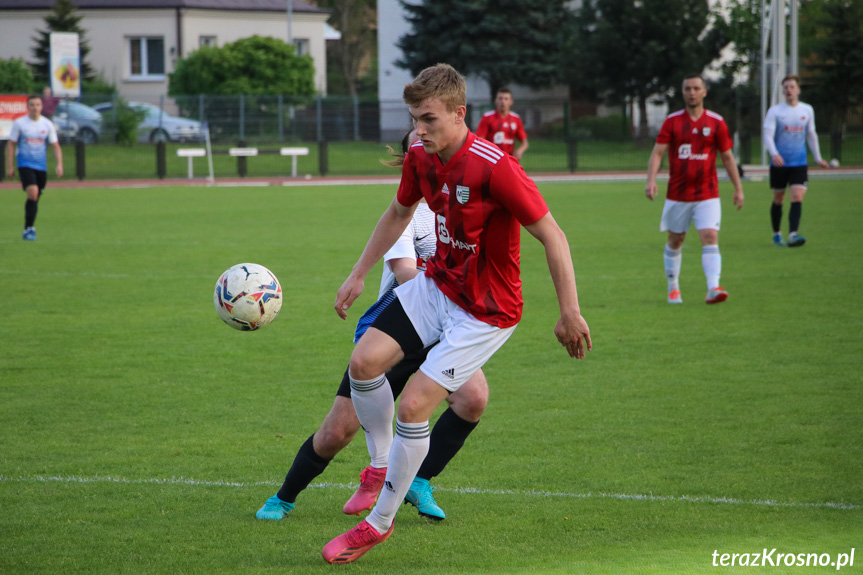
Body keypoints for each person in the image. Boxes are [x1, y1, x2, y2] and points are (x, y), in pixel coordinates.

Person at [322, 63, 591, 564]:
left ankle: (379, 523)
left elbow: (553, 235)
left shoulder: (496, 167)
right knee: (363, 364)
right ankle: (380, 465)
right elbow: (398, 213)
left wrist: (569, 312)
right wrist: (358, 273)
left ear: (458, 113)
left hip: (486, 312)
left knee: (414, 406)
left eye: (428, 120)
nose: (418, 132)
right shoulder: (421, 158)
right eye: (414, 120)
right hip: (437, 284)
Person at [255, 132, 488, 524]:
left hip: (443, 329)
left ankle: (419, 479)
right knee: (337, 432)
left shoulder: (459, 205)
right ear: (409, 159)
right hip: (397, 329)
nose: (429, 150)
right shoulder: (407, 211)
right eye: (418, 144)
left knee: (473, 398)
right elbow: (407, 274)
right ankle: (285, 496)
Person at [645, 73, 744, 305]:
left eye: (696, 88)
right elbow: (658, 152)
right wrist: (650, 180)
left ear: (704, 92)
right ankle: (673, 287)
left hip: (708, 193)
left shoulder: (716, 122)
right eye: (688, 88)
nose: (692, 92)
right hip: (677, 194)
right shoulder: (672, 122)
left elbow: (728, 157)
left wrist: (738, 188)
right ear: (683, 92)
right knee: (676, 240)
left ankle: (713, 287)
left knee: (709, 236)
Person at [763, 75, 830, 248]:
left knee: (797, 197)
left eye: (792, 87)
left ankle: (793, 234)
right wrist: (774, 154)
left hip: (799, 163)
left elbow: (811, 134)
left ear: (798, 90)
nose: (789, 90)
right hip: (779, 164)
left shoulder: (807, 110)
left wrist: (817, 158)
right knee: (778, 198)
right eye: (785, 87)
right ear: (783, 90)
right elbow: (767, 136)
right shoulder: (775, 111)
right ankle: (777, 233)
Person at [6, 94, 64, 241]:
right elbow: (11, 144)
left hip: (41, 166)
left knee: (35, 198)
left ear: (41, 107)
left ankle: (29, 226)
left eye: (37, 105)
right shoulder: (20, 124)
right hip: (24, 164)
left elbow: (55, 146)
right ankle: (29, 229)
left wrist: (59, 164)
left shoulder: (47, 124)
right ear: (27, 107)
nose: (35, 108)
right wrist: (10, 166)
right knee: (33, 193)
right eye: (32, 105)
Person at [475, 87, 529, 161]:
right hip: (492, 158)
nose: (503, 101)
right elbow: (480, 139)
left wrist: (519, 151)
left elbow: (524, 142)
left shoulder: (516, 118)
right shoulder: (487, 117)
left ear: (511, 102)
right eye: (500, 98)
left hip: (509, 158)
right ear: (495, 101)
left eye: (506, 99)